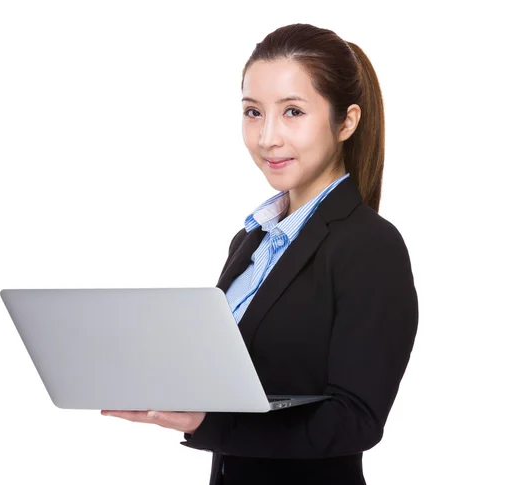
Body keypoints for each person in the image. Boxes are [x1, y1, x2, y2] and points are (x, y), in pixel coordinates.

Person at [101, 22, 418, 485]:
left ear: (346, 121)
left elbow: (356, 420)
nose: (267, 136)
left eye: (292, 111)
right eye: (253, 112)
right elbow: (239, 380)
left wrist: (209, 424)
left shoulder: (370, 246)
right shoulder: (251, 241)